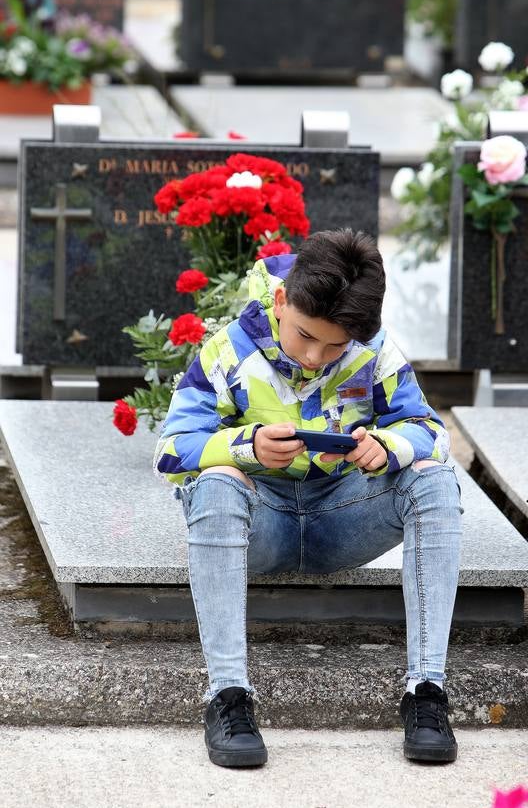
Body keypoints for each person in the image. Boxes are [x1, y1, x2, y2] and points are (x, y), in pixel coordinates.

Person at [154, 228, 463, 769]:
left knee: (435, 478)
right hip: (261, 526)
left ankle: (426, 691)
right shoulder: (227, 350)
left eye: (334, 346)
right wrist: (243, 446)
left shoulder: (374, 350)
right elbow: (171, 449)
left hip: (342, 519)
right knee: (218, 480)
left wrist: (389, 445)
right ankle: (228, 698)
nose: (318, 356)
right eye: (304, 336)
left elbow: (430, 431)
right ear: (280, 301)